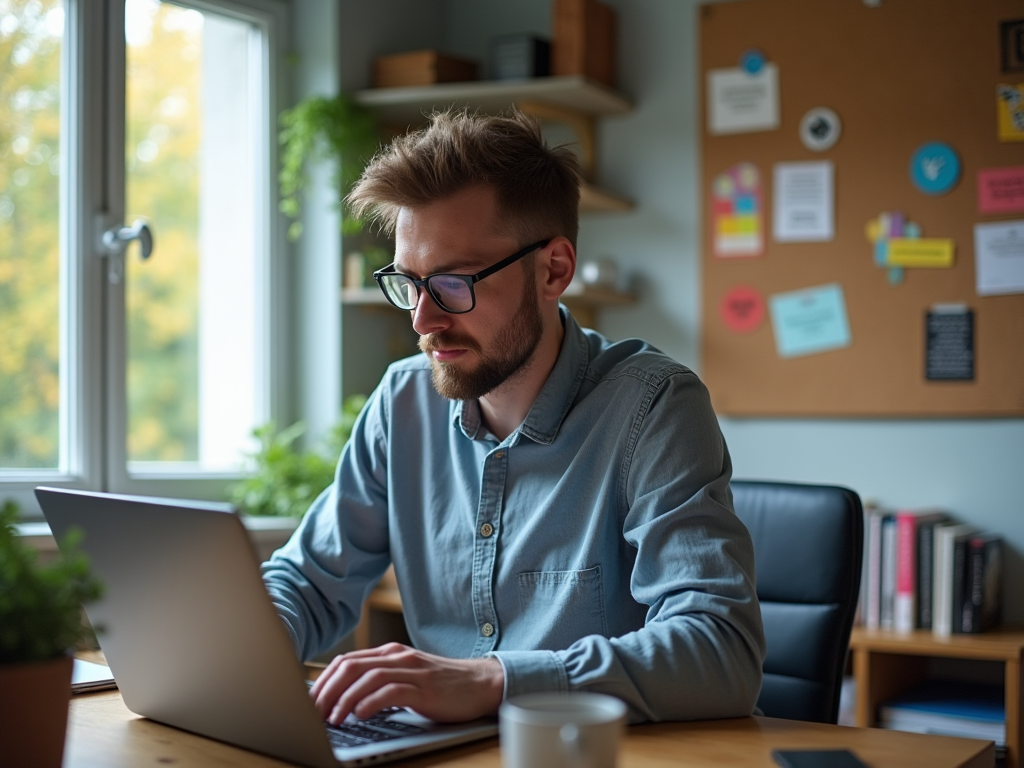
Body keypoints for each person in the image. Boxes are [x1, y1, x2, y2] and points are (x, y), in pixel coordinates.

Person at [261, 108, 765, 728]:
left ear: (554, 269)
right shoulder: (403, 403)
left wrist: (493, 680)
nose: (422, 319)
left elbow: (720, 651)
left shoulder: (653, 407)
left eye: (451, 282)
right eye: (408, 282)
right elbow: (309, 582)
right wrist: (239, 653)